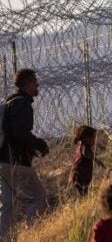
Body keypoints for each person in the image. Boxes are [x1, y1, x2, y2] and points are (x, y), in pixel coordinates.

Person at [0, 69, 50, 239]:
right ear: (27, 83)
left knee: (8, 204)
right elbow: (19, 132)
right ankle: (34, 236)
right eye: (35, 81)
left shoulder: (9, 101)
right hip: (16, 161)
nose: (38, 85)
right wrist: (39, 145)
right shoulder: (22, 104)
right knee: (38, 197)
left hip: (3, 161)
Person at [69, 125, 104, 196]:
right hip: (79, 178)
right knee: (82, 195)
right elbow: (87, 153)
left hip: (80, 177)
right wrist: (97, 161)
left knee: (83, 194)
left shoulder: (82, 146)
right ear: (86, 138)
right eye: (93, 138)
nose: (95, 140)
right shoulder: (84, 147)